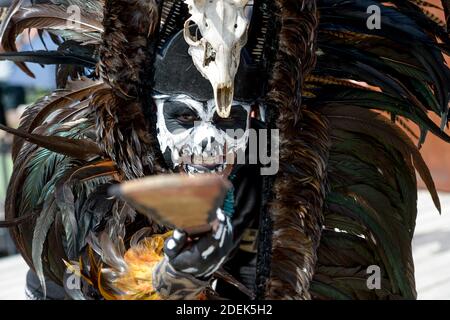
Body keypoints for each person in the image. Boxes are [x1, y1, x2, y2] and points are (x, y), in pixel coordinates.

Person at [1, 0, 450, 300]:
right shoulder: (86, 196)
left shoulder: (297, 192)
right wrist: (160, 278)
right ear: (148, 120)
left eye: (229, 121)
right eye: (183, 118)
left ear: (255, 121)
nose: (207, 143)